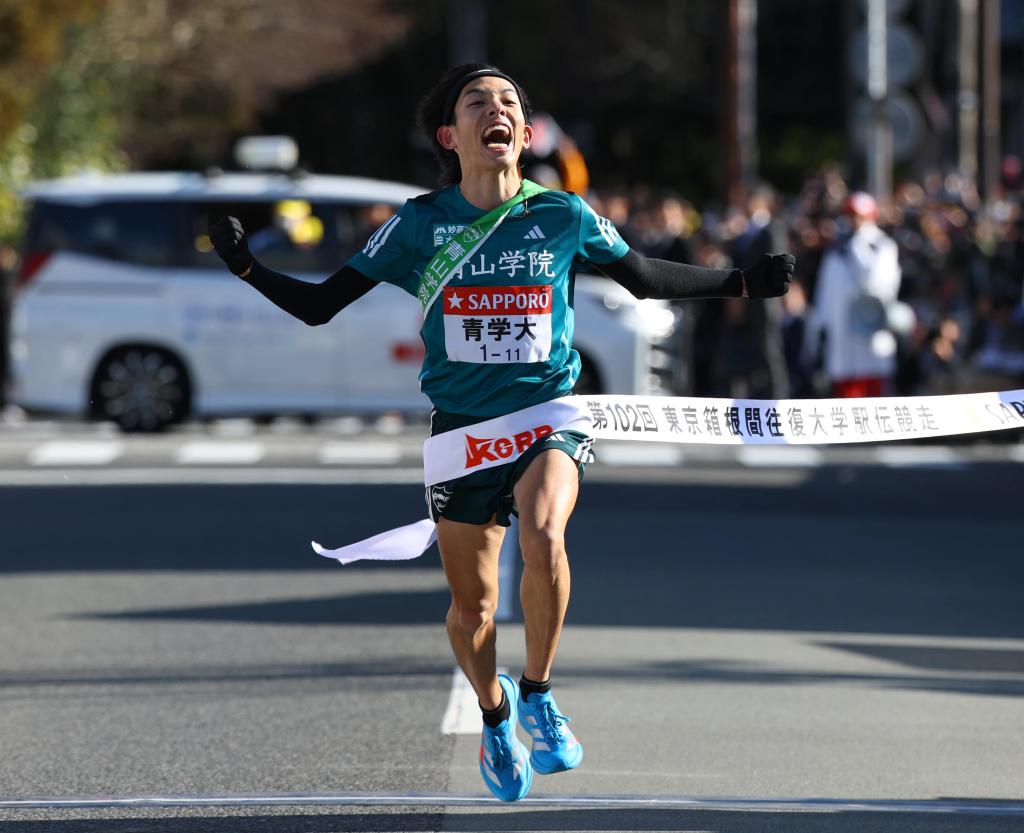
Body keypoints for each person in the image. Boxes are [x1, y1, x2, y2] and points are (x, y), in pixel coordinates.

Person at [210, 64, 793, 802]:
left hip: (549, 413)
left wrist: (741, 283)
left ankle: (540, 693)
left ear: (521, 132)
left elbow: (642, 275)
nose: (499, 110)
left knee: (546, 534)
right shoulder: (420, 224)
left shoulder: (561, 214)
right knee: (473, 609)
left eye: (510, 101)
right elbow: (323, 304)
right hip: (462, 431)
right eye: (478, 102)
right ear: (450, 137)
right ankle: (495, 715)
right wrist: (245, 267)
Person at [807, 191, 901, 398]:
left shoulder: (883, 246)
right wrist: (819, 324)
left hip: (870, 332)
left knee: (873, 391)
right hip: (842, 335)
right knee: (844, 390)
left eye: (859, 216)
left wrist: (858, 248)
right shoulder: (835, 249)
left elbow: (877, 285)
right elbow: (826, 292)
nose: (854, 222)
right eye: (851, 216)